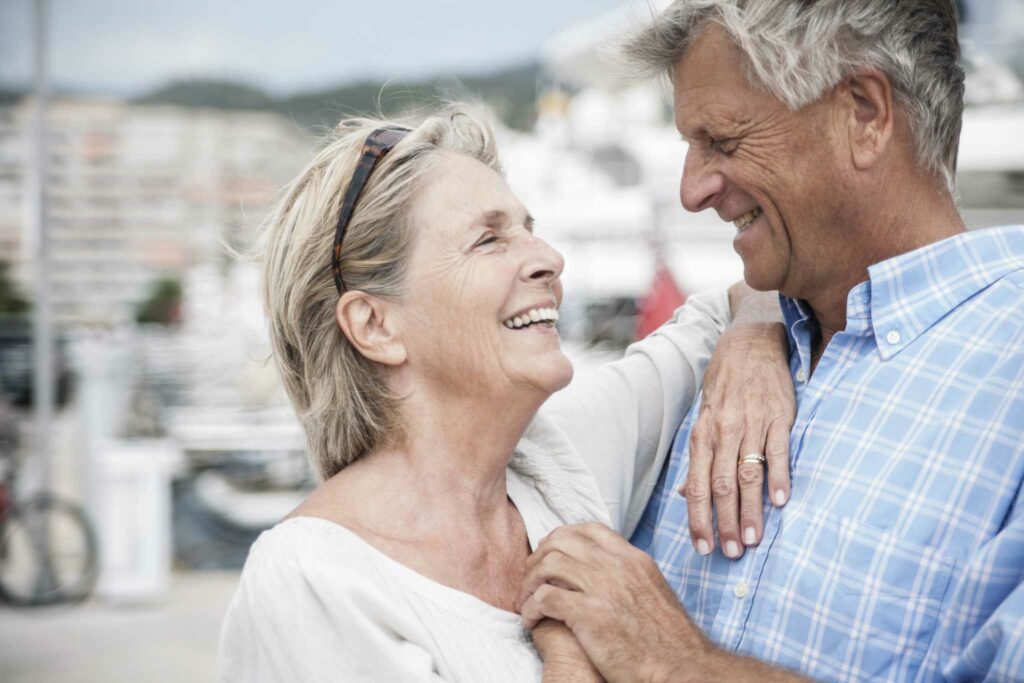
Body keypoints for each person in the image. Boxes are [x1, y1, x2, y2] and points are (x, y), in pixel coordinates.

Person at [518, 1, 1024, 681]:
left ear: (865, 115)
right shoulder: (725, 345)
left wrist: (676, 663)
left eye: (721, 142)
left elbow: (639, 633)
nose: (692, 190)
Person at [217, 106, 793, 681]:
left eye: (529, 229)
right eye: (489, 240)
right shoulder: (311, 581)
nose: (548, 259)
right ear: (375, 325)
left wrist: (751, 344)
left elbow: (736, 301)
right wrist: (572, 658)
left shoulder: (554, 462)